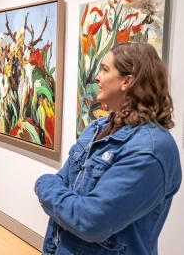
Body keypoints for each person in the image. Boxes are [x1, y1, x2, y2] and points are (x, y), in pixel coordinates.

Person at [35, 43, 181, 255]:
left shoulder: (150, 151)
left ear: (127, 81)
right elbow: (64, 181)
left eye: (104, 69)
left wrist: (42, 183)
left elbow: (89, 220)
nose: (97, 77)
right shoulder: (97, 128)